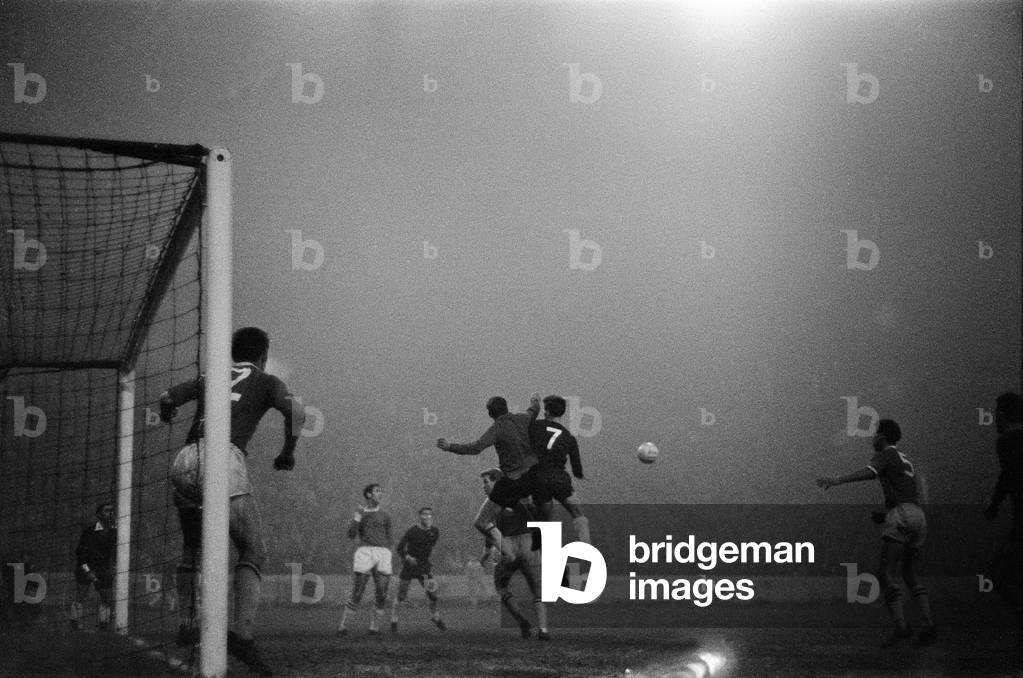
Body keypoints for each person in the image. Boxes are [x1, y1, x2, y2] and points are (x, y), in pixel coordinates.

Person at [160, 326, 304, 677]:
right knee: (253, 549)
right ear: (263, 356)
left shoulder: (212, 374)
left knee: (192, 548)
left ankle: (186, 624)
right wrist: (287, 452)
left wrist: (166, 412)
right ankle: (241, 635)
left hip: (185, 459)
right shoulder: (266, 381)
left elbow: (167, 397)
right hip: (222, 458)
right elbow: (297, 412)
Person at [817, 419, 935, 647]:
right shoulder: (905, 458)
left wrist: (838, 480)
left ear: (882, 437)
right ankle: (928, 623)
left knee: (885, 573)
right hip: (917, 515)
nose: (872, 439)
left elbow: (870, 472)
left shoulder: (886, 454)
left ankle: (901, 626)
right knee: (909, 573)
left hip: (901, 514)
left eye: (875, 435)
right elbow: (907, 490)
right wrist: (887, 514)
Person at [436, 394, 541, 558]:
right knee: (535, 525)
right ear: (507, 407)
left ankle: (511, 557)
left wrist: (450, 446)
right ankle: (558, 567)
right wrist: (535, 401)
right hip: (535, 477)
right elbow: (533, 411)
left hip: (514, 481)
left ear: (490, 414)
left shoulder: (497, 428)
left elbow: (476, 447)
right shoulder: (522, 418)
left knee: (482, 521)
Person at [479, 468, 549, 641]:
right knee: (537, 590)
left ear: (497, 481)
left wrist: (487, 553)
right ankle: (544, 630)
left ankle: (522, 621)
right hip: (528, 544)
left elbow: (490, 528)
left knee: (501, 587)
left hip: (508, 545)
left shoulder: (493, 502)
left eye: (486, 481)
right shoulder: (523, 496)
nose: (484, 486)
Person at [984, 391, 1023, 623]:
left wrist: (994, 505)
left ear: (1001, 415)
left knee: (999, 574)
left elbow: (1008, 476)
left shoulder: (1007, 441)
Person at [529, 395, 589, 544]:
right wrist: (581, 476)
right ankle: (587, 548)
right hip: (558, 478)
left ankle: (552, 557)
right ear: (561, 413)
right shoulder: (569, 437)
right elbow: (577, 470)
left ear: (547, 411)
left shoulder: (534, 427)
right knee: (577, 513)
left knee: (546, 521)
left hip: (538, 479)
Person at [338, 484, 393, 636]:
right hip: (365, 552)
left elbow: (390, 538)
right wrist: (357, 517)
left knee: (382, 592)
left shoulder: (386, 515)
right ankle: (343, 625)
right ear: (369, 495)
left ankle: (374, 627)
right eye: (377, 491)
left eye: (381, 491)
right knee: (358, 591)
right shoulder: (360, 513)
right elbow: (351, 535)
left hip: (383, 552)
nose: (380, 493)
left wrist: (387, 552)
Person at [390, 507, 446, 633]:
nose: (427, 516)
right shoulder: (412, 531)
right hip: (409, 567)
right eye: (425, 514)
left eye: (430, 514)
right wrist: (407, 557)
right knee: (402, 595)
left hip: (424, 567)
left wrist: (423, 560)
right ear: (419, 516)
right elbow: (399, 548)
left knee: (433, 595)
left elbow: (430, 547)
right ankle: (394, 619)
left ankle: (435, 617)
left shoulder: (435, 531)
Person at [71, 502, 116, 631]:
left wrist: (113, 567)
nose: (110, 513)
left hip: (103, 569)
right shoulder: (89, 532)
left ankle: (103, 626)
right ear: (99, 514)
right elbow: (81, 555)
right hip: (86, 567)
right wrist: (88, 571)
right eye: (107, 511)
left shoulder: (115, 532)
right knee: (81, 594)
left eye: (111, 510)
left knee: (106, 597)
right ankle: (75, 624)